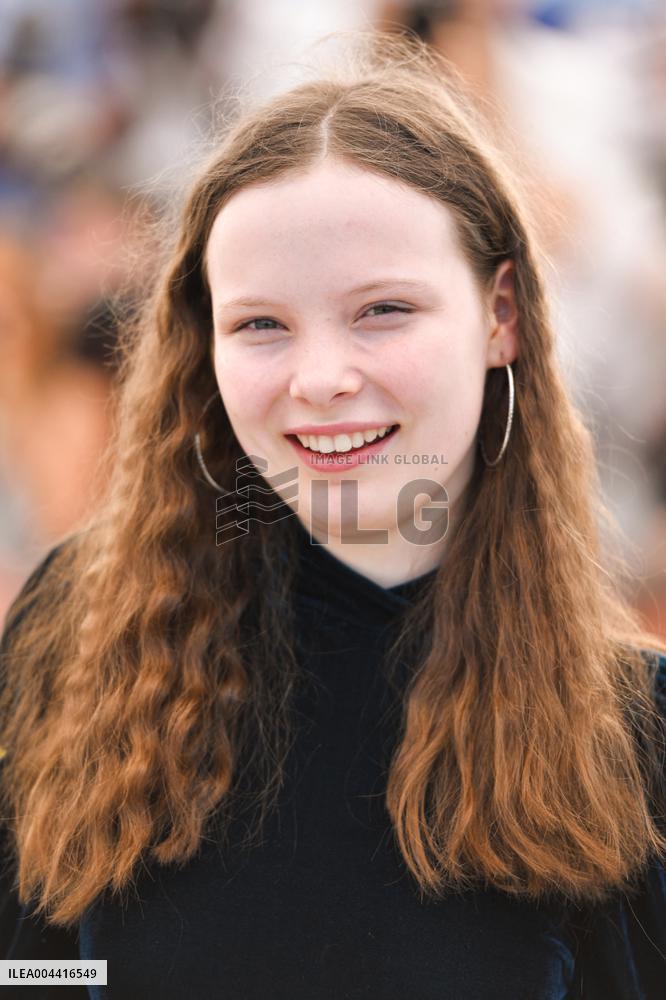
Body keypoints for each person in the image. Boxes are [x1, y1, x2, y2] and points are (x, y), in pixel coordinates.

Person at [1, 30, 665, 1000]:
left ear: (501, 313)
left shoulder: (634, 735)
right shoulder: (81, 627)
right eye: (261, 324)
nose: (321, 380)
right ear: (204, 345)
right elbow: (27, 968)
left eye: (383, 310)